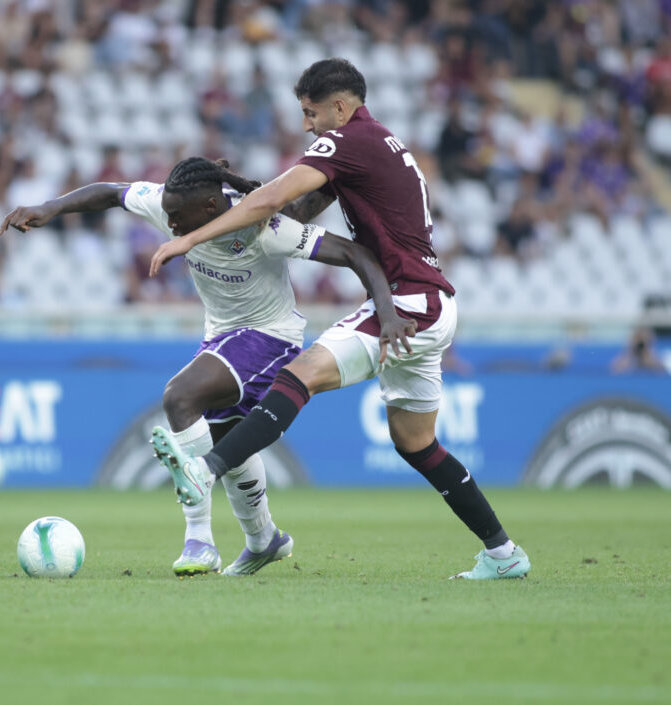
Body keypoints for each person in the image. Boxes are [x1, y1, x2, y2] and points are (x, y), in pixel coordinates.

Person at [149, 59, 531, 580]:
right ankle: (504, 554)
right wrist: (259, 231)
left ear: (340, 106)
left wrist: (191, 237)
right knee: (416, 443)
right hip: (427, 304)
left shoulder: (349, 141)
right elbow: (300, 210)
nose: (308, 126)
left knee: (297, 375)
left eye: (311, 113)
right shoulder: (377, 144)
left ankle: (205, 469)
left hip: (407, 305)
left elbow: (273, 198)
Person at [0, 156, 399, 577]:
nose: (169, 223)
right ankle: (264, 540)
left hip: (271, 337)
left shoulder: (264, 228)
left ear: (209, 208)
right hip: (222, 337)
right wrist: (52, 207)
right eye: (167, 214)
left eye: (177, 217)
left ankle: (199, 541)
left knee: (180, 396)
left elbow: (354, 253)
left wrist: (386, 314)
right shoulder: (172, 202)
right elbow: (112, 192)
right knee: (228, 440)